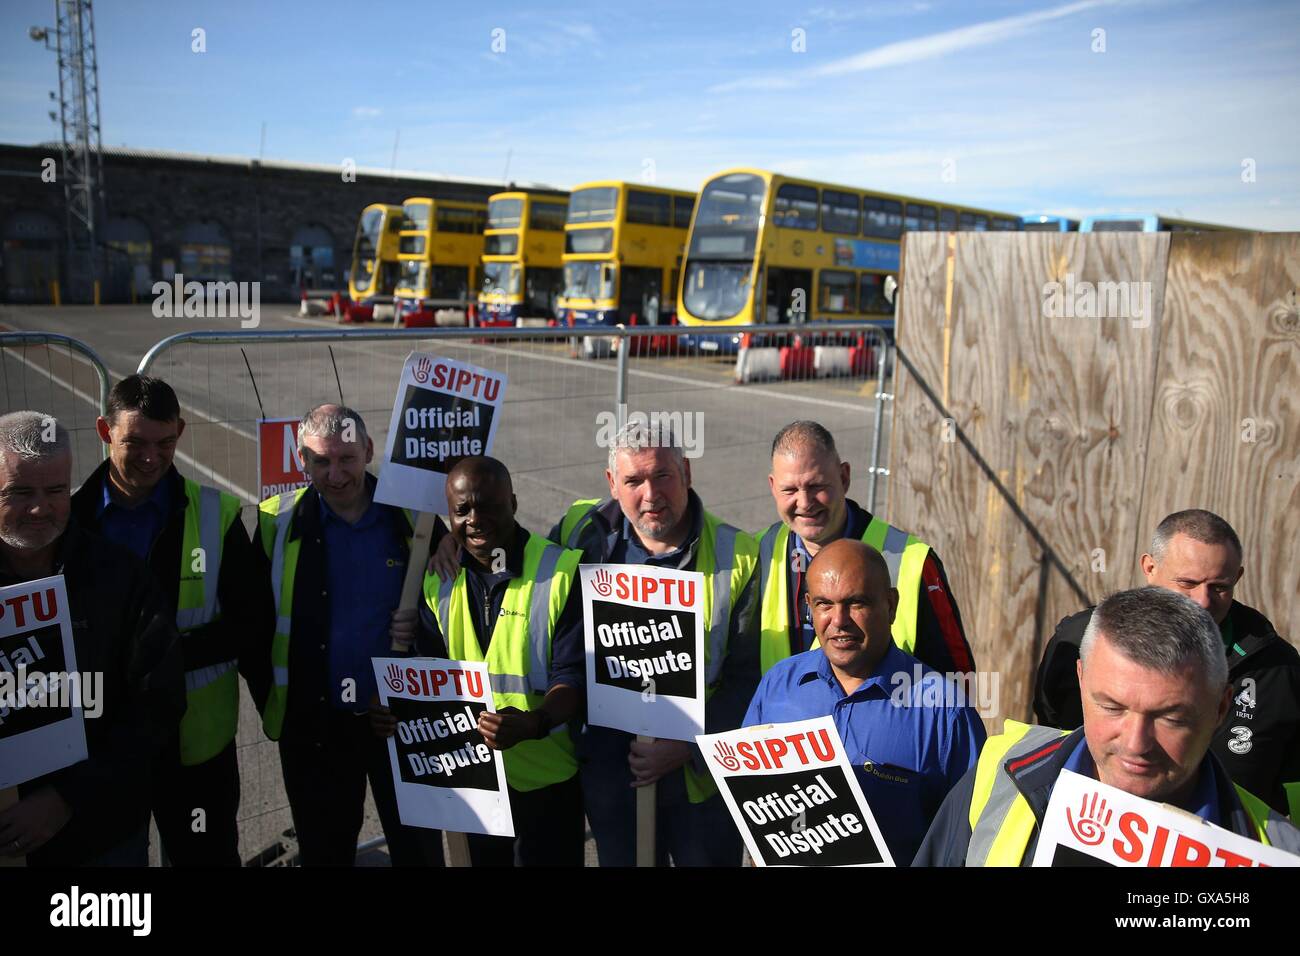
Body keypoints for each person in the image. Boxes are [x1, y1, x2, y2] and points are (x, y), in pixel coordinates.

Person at [915, 587, 1300, 866]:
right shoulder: (996, 773)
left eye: (1170, 718)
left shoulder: (1279, 850)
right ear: (1081, 680)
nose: (1136, 744)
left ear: (1221, 708)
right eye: (1112, 707)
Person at [70, 375, 267, 866]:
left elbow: (250, 623)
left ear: (180, 430)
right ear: (104, 430)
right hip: (101, 748)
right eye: (134, 441)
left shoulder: (216, 514)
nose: (151, 457)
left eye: (165, 442)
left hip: (195, 750)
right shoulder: (69, 520)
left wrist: (164, 661)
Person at [551, 420, 759, 866]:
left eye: (662, 475)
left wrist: (689, 747)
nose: (650, 494)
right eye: (633, 480)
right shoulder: (580, 532)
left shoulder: (737, 554)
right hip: (611, 772)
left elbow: (750, 681)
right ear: (612, 483)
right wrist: (446, 545)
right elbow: (518, 565)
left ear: (686, 471)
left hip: (699, 784)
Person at [250, 404, 443, 866]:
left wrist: (420, 634)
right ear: (303, 461)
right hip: (317, 728)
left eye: (347, 459)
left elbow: (457, 613)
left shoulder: (414, 521)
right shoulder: (276, 523)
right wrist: (283, 709)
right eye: (321, 461)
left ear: (368, 451)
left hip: (400, 720)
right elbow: (251, 628)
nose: (335, 474)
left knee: (419, 852)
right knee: (325, 853)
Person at [374, 457, 586, 866]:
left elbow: (573, 675)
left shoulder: (560, 571)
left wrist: (534, 722)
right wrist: (393, 710)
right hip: (473, 784)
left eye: (488, 506)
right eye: (462, 510)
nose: (475, 519)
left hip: (546, 781)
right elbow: (426, 673)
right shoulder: (438, 581)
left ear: (514, 503)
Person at [0, 410, 184, 866]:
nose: (40, 507)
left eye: (56, 490)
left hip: (102, 836)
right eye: (20, 492)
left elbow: (157, 705)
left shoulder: (121, 578)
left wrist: (67, 796)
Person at [1033, 509, 1299, 816]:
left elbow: (1292, 794)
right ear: (1149, 567)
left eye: (1219, 587)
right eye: (1187, 582)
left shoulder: (1279, 670)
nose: (1202, 601)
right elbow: (1051, 735)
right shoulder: (1080, 640)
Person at [745, 539, 985, 865]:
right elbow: (749, 794)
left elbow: (971, 834)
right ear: (808, 606)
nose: (839, 620)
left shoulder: (944, 709)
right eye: (824, 604)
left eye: (856, 603)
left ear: (891, 604)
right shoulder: (778, 684)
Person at [755, 421, 973, 676]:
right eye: (789, 489)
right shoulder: (759, 552)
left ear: (844, 477)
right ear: (773, 487)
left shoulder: (912, 561)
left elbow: (958, 681)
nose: (804, 502)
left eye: (816, 487)